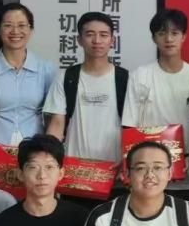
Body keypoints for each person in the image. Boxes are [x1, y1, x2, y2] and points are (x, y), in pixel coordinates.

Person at [122, 8, 189, 204]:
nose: (168, 39)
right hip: (147, 175)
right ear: (154, 38)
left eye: (174, 33)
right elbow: (130, 126)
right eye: (162, 33)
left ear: (184, 36)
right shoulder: (140, 76)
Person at [0, 3, 56, 185]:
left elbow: (52, 118)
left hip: (34, 151)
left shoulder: (46, 68)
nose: (15, 31)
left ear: (31, 29)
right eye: (8, 25)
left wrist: (50, 157)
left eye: (22, 25)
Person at [44, 11, 128, 164]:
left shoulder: (126, 79)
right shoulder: (66, 77)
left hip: (114, 167)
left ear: (112, 40)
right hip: (73, 166)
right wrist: (50, 161)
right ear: (79, 40)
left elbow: (133, 127)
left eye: (103, 35)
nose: (97, 40)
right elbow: (57, 124)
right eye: (90, 34)